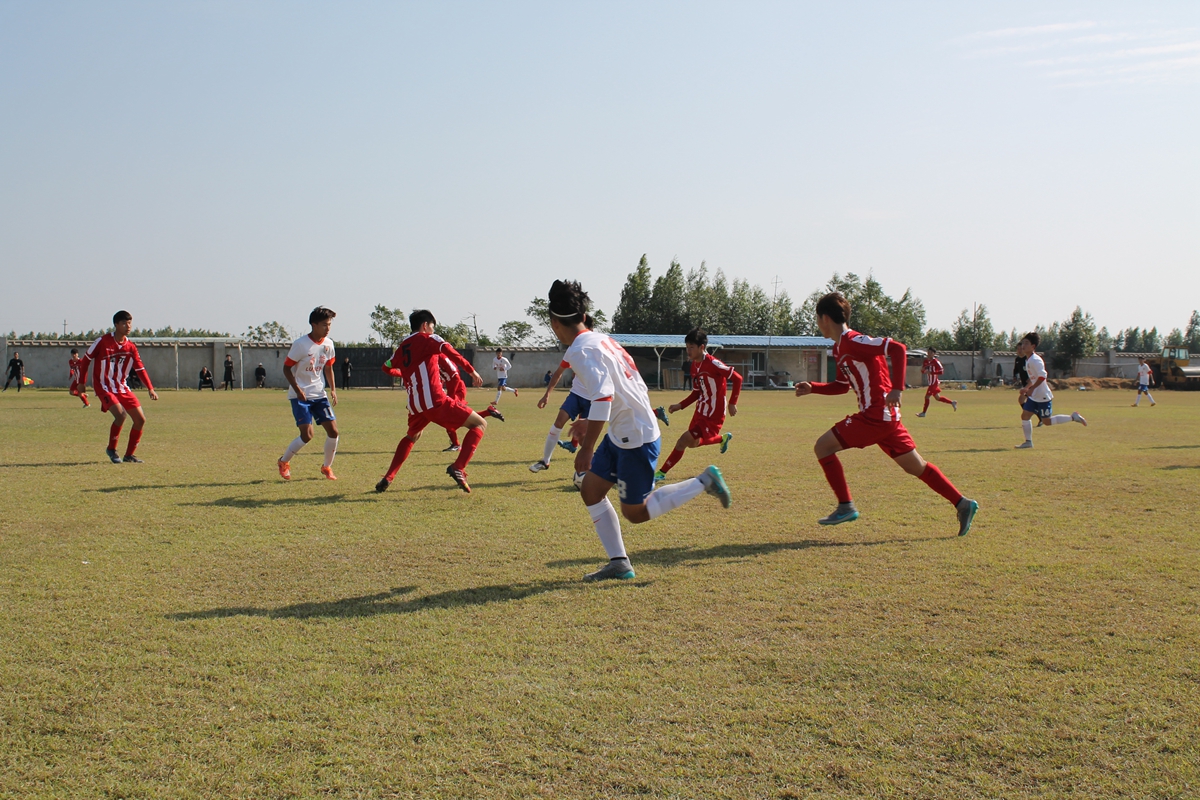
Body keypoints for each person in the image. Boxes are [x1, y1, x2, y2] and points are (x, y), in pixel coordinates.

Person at [548, 279, 732, 582]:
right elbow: (618, 389)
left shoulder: (581, 350)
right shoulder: (600, 339)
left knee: (635, 512)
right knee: (591, 490)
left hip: (634, 436)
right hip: (625, 428)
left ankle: (704, 481)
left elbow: (604, 395)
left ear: (555, 324)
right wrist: (589, 422)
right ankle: (619, 563)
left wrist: (587, 447)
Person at [794, 292, 978, 535]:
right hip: (885, 418)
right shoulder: (839, 349)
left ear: (824, 318)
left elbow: (898, 349)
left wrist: (897, 388)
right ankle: (963, 503)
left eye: (817, 319)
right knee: (916, 467)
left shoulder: (854, 340)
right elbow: (842, 386)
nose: (818, 325)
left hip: (876, 415)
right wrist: (813, 388)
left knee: (823, 447)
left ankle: (845, 505)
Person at [376, 310, 487, 493]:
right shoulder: (428, 338)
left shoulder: (402, 347)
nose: (432, 330)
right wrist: (472, 371)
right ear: (426, 325)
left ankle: (388, 477)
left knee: (412, 436)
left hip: (415, 404)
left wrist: (402, 373)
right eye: (432, 327)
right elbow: (450, 351)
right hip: (434, 400)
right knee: (480, 424)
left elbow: (386, 367)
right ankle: (458, 467)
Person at [653, 328, 742, 482]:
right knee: (692, 443)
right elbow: (696, 393)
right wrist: (679, 405)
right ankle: (721, 439)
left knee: (683, 441)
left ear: (702, 347)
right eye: (687, 347)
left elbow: (737, 378)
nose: (688, 351)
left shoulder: (714, 363)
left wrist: (733, 402)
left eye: (691, 347)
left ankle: (661, 473)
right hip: (700, 411)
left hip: (713, 414)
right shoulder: (694, 366)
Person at [76, 310, 159, 463]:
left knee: (140, 420)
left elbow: (140, 368)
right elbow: (86, 360)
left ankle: (129, 455)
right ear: (116, 325)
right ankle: (112, 449)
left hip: (122, 387)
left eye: (130, 323)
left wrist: (150, 388)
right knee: (121, 415)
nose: (128, 326)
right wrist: (81, 382)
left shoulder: (131, 347)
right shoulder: (101, 341)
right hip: (104, 387)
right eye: (124, 323)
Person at [277, 307, 340, 481]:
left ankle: (327, 467)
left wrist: (333, 389)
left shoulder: (329, 344)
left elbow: (329, 367)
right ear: (313, 324)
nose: (328, 328)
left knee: (334, 431)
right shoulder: (301, 344)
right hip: (301, 396)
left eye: (329, 325)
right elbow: (286, 368)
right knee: (307, 435)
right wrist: (297, 390)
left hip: (319, 395)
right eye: (324, 325)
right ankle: (283, 462)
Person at [529, 318, 596, 473]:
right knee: (558, 422)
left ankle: (592, 470)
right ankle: (545, 461)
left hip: (593, 400)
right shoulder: (573, 349)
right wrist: (547, 395)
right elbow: (558, 373)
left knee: (583, 438)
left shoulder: (599, 349)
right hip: (576, 395)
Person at [1014, 331, 1087, 449]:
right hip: (1034, 396)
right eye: (1023, 343)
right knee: (1025, 416)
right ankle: (1028, 442)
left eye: (1026, 343)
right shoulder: (1028, 360)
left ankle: (1073, 417)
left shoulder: (1035, 360)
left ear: (1033, 346)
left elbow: (1043, 376)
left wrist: (1031, 389)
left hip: (1042, 396)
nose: (1023, 346)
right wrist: (1027, 388)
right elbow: (1034, 378)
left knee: (1047, 422)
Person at [916, 346, 956, 417]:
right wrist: (923, 370)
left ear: (934, 354)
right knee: (938, 398)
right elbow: (923, 371)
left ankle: (923, 413)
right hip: (931, 382)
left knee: (927, 397)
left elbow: (941, 371)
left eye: (931, 352)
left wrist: (932, 373)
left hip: (934, 383)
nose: (929, 353)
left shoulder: (936, 362)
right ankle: (952, 402)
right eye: (928, 352)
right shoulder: (926, 361)